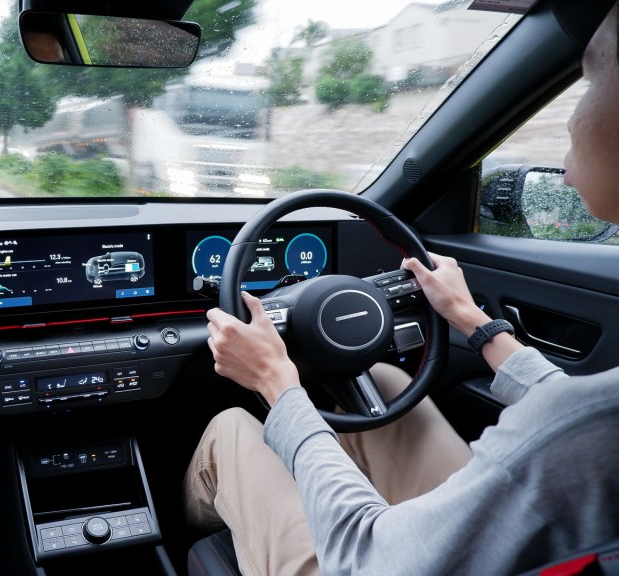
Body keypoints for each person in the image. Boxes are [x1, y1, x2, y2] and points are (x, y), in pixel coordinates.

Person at [184, 4, 619, 575]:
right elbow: (576, 413)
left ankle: (185, 546)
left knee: (233, 428)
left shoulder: (583, 427)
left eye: (590, 81)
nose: (571, 116)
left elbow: (369, 557)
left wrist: (276, 381)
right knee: (386, 384)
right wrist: (476, 324)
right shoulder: (592, 419)